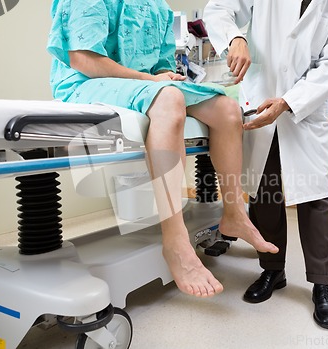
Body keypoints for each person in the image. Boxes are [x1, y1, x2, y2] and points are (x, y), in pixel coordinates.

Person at [46, 0, 279, 299]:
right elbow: (83, 59)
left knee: (228, 110)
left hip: (143, 87)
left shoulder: (157, 6)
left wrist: (167, 75)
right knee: (169, 100)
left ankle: (234, 212)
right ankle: (175, 240)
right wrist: (153, 81)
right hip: (85, 83)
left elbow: (161, 65)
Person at [203, 0, 328, 329]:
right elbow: (218, 8)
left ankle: (322, 284)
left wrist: (291, 101)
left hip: (307, 107)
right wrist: (236, 38)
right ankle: (272, 270)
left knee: (316, 196)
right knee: (266, 190)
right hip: (261, 95)